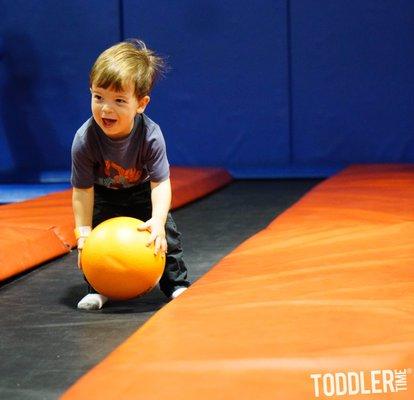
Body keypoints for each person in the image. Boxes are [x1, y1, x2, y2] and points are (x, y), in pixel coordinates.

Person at [71, 39, 190, 310]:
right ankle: (98, 288)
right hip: (104, 194)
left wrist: (158, 220)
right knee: (95, 244)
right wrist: (83, 232)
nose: (106, 109)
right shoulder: (84, 140)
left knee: (166, 236)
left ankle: (176, 284)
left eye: (119, 100)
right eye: (98, 96)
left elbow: (161, 183)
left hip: (141, 192)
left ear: (141, 104)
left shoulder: (150, 136)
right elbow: (82, 189)